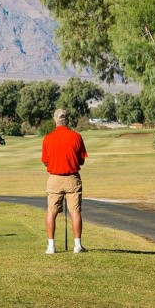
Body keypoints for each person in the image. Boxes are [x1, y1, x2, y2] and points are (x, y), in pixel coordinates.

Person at [41, 109, 88, 254]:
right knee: (75, 212)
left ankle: (51, 247)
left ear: (55, 120)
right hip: (72, 178)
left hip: (54, 178)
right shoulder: (76, 137)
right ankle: (78, 246)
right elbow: (81, 160)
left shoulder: (48, 138)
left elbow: (45, 162)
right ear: (67, 120)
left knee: (51, 212)